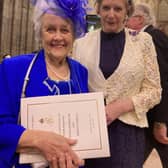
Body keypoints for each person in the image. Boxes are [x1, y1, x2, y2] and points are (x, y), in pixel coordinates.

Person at [72, 0, 162, 167]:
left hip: (127, 134)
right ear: (98, 9)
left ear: (127, 11)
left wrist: (122, 106)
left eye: (118, 9)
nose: (111, 14)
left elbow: (154, 91)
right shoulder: (81, 44)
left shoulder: (143, 42)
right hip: (90, 132)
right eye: (106, 8)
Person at [0, 0, 89, 167]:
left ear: (74, 34)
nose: (58, 37)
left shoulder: (80, 72)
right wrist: (38, 139)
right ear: (40, 32)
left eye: (65, 30)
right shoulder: (13, 68)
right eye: (50, 29)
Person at [126, 3, 168, 167]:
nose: (126, 22)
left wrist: (161, 121)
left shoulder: (152, 37)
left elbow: (162, 80)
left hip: (157, 113)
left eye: (128, 17)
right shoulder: (146, 36)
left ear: (139, 19)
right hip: (150, 113)